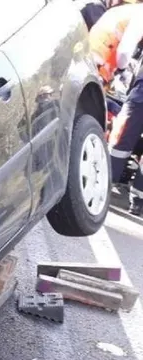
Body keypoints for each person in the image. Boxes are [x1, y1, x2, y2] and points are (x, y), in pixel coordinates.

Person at [90, 3, 143, 214]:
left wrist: (121, 69)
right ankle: (138, 202)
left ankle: (102, 184)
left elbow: (124, 52)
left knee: (121, 138)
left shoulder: (134, 13)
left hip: (136, 91)